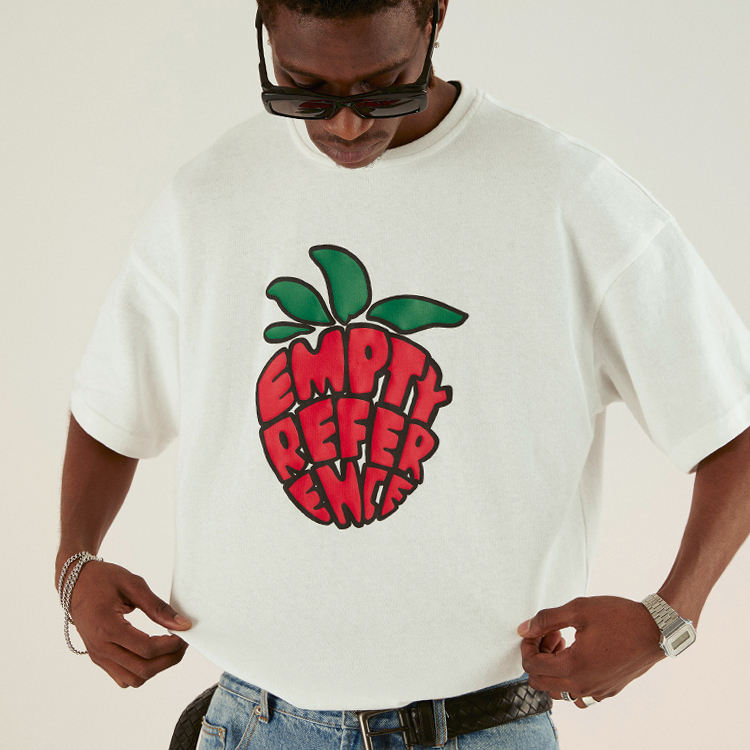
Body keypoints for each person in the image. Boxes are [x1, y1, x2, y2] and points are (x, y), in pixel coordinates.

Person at [55, 1, 750, 748]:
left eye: (384, 86)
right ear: (263, 25)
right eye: (304, 88)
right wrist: (73, 565)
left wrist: (670, 617)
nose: (347, 124)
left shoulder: (567, 194)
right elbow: (111, 409)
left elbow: (732, 427)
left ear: (435, 16)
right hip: (250, 724)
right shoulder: (209, 196)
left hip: (479, 728)